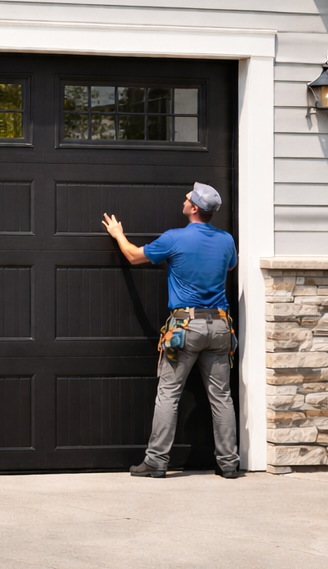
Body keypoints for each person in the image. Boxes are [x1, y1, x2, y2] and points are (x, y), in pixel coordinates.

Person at [102, 183, 241, 479]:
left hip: (185, 327)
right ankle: (229, 464)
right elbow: (230, 267)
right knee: (222, 397)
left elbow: (133, 256)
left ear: (194, 208)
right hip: (220, 326)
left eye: (188, 197)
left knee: (168, 394)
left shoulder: (174, 238)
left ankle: (156, 462)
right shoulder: (226, 240)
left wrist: (117, 234)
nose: (185, 198)